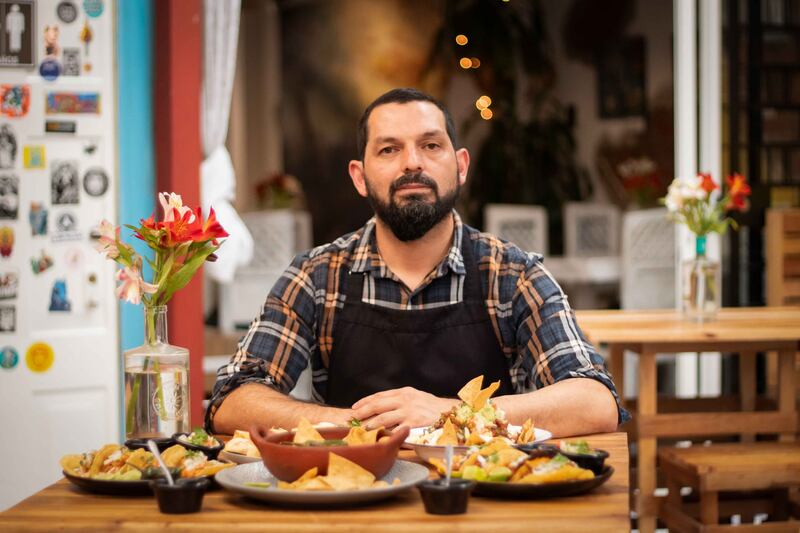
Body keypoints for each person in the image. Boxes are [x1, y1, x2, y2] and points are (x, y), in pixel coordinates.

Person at [207, 88, 629, 437]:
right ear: (359, 176)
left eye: (430, 145)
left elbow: (595, 400)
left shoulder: (513, 276)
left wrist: (449, 414)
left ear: (460, 166)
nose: (412, 162)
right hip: (353, 504)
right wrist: (357, 423)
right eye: (389, 149)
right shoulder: (316, 277)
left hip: (488, 505)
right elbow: (233, 399)